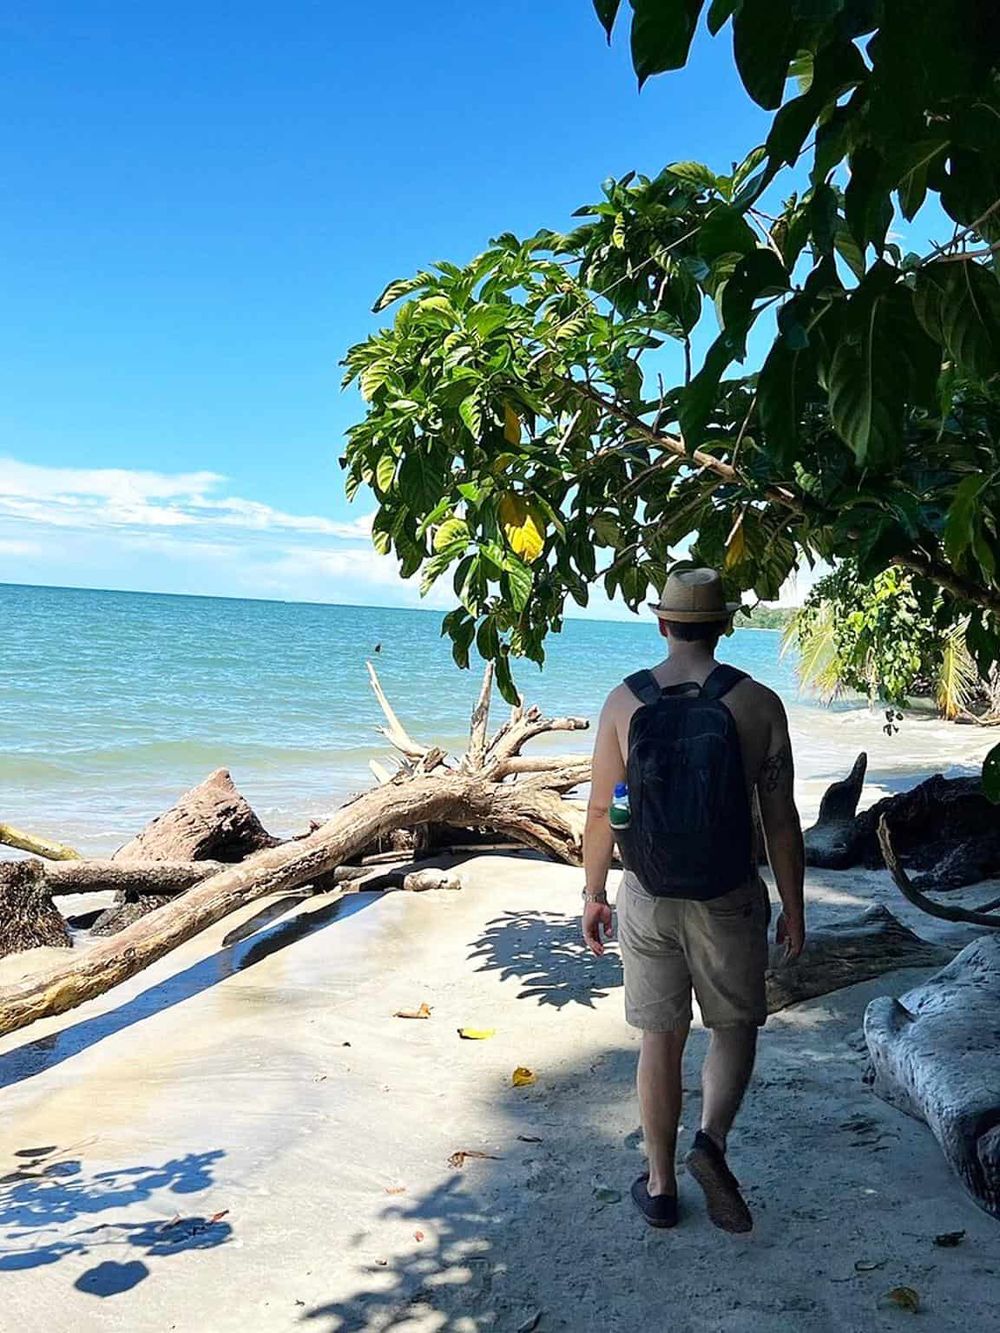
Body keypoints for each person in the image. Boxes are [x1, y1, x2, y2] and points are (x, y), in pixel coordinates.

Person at [581, 567, 805, 1233]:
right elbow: (781, 817)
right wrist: (794, 904)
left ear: (662, 623)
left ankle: (660, 1185)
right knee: (733, 1026)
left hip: (648, 892)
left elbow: (602, 808)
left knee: (660, 1036)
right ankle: (709, 1141)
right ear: (725, 625)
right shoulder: (759, 703)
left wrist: (595, 892)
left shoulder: (624, 701)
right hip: (728, 893)